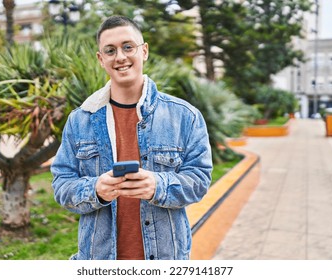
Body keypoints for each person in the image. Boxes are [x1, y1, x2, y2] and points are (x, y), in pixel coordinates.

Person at [51, 15, 212, 260]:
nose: (121, 57)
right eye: (110, 50)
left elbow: (199, 181)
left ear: (144, 51)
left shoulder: (185, 116)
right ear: (100, 59)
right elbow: (62, 185)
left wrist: (158, 185)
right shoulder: (80, 120)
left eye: (128, 47)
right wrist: (95, 189)